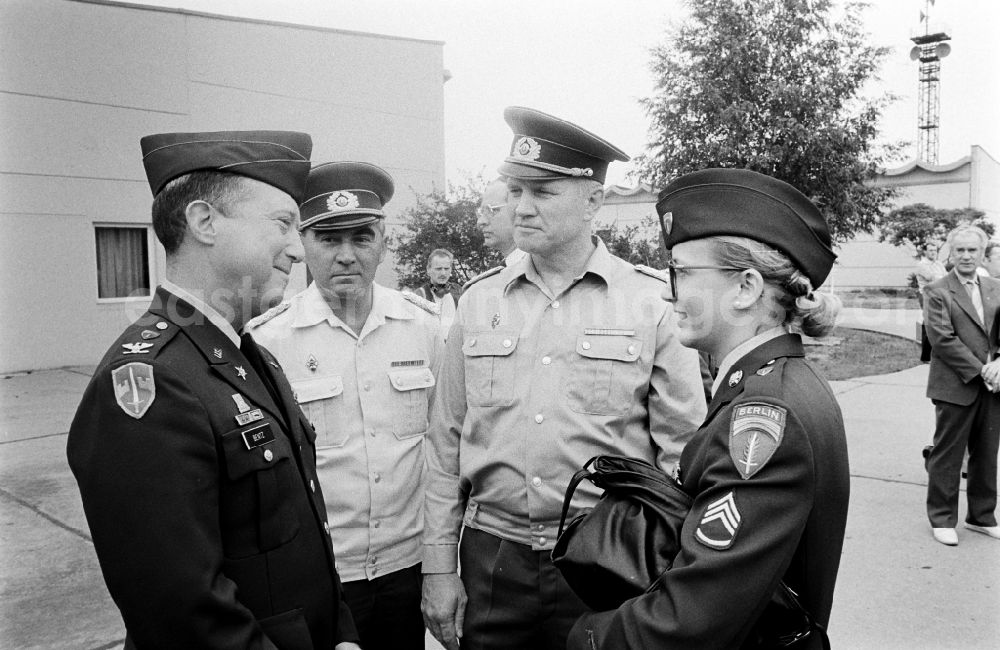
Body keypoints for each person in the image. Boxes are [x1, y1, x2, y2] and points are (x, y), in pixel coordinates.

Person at [421, 106, 707, 650]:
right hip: (493, 559)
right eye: (516, 191)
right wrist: (438, 567)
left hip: (606, 555)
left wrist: (673, 572)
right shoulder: (479, 301)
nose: (521, 208)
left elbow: (682, 454)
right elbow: (445, 444)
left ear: (593, 201)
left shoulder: (648, 303)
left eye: (543, 192)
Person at [66, 131, 361, 649]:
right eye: (283, 223)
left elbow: (304, 537)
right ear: (205, 222)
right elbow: (183, 613)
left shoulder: (249, 355)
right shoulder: (151, 382)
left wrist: (341, 634)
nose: (297, 248)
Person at [568, 168, 850, 648]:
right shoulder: (772, 385)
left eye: (680, 272)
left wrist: (586, 637)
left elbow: (691, 619)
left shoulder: (765, 414)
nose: (665, 289)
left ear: (745, 288)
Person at [249, 161, 443, 649]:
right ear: (302, 242)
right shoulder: (268, 340)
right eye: (329, 239)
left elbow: (446, 449)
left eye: (360, 238)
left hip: (409, 568)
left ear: (383, 242)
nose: (345, 256)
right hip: (323, 574)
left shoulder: (425, 328)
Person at [922, 225, 1000, 546]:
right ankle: (942, 518)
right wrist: (983, 369)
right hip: (956, 384)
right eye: (960, 250)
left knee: (986, 453)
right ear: (950, 253)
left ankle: (982, 517)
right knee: (948, 454)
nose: (966, 256)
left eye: (973, 250)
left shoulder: (997, 287)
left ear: (983, 253)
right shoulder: (938, 290)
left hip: (994, 386)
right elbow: (942, 340)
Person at [412, 249, 463, 337]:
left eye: (446, 269)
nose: (443, 273)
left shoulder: (458, 292)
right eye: (438, 269)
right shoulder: (420, 295)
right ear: (428, 269)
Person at [476, 177, 525, 267]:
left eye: (492, 210)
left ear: (520, 211)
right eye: (481, 212)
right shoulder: (508, 268)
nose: (480, 222)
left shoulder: (538, 270)